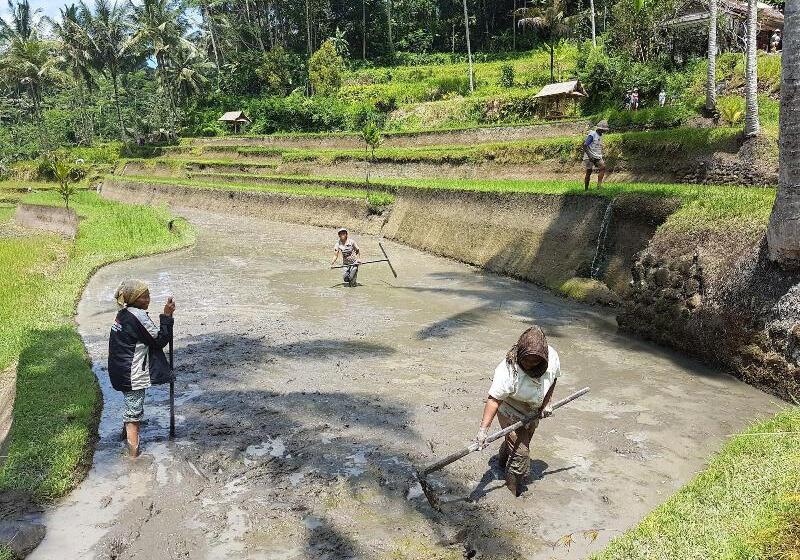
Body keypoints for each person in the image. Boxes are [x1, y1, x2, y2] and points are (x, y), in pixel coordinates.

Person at [475, 326, 560, 496]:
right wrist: (483, 431)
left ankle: (501, 462)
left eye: (535, 361)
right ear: (519, 354)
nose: (530, 364)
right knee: (521, 453)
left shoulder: (552, 358)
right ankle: (511, 491)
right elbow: (494, 400)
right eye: (526, 360)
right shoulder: (508, 369)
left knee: (523, 439)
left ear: (544, 358)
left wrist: (547, 403)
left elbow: (553, 379)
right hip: (509, 406)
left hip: (533, 407)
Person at [108, 280, 175, 458]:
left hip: (118, 369)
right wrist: (167, 317)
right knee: (134, 413)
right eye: (144, 297)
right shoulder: (138, 316)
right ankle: (133, 457)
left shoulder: (122, 314)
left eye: (148, 295)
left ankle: (124, 437)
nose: (148, 299)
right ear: (135, 300)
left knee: (131, 405)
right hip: (133, 373)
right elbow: (159, 340)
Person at [582, 119, 609, 191]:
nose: (605, 131)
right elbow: (585, 145)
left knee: (603, 167)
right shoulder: (592, 134)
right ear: (600, 129)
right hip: (589, 155)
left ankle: (599, 186)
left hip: (597, 156)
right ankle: (586, 189)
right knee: (589, 172)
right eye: (603, 130)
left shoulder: (601, 135)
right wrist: (590, 156)